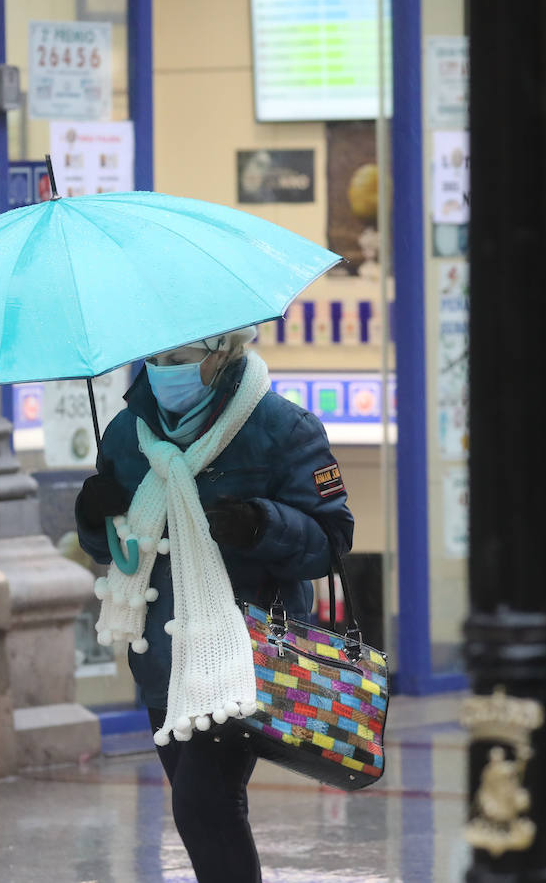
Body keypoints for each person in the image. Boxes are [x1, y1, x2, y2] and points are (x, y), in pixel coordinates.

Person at [75, 328, 354, 883]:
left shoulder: (282, 427)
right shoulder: (127, 433)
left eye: (178, 357)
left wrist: (261, 524)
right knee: (207, 808)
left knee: (203, 806)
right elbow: (115, 547)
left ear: (222, 352)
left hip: (244, 655)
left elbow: (330, 541)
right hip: (162, 659)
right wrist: (92, 513)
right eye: (153, 357)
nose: (162, 369)